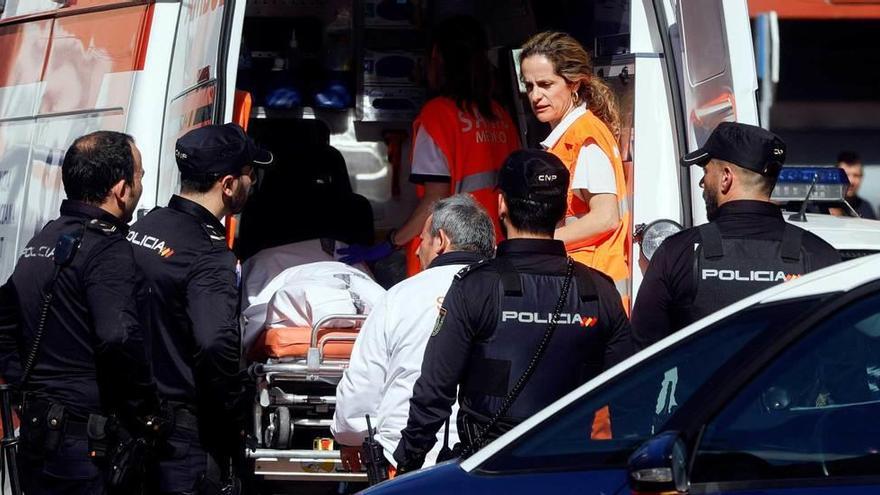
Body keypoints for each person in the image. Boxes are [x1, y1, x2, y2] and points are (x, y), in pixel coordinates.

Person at [393, 150, 632, 472]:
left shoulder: (475, 286)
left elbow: (435, 392)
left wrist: (408, 462)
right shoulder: (600, 290)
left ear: (502, 204)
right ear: (563, 211)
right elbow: (627, 395)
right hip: (572, 470)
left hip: (490, 470)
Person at [0, 131, 158, 494]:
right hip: (84, 446)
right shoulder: (108, 250)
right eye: (140, 177)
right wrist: (145, 409)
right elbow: (118, 335)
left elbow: (4, 321)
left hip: (40, 436)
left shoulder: (45, 237)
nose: (140, 185)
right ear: (122, 189)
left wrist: (27, 385)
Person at [129, 123, 271, 494]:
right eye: (248, 174)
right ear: (227, 185)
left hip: (130, 425)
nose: (252, 182)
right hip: (181, 438)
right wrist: (233, 408)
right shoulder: (208, 254)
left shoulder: (143, 227)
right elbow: (214, 343)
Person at [631, 122, 841, 349]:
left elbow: (639, 355)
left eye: (706, 171)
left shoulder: (676, 252)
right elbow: (843, 363)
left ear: (726, 178)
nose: (702, 183)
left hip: (705, 386)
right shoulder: (819, 255)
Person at [338, 15, 519, 276]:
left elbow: (435, 198)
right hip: (495, 253)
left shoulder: (436, 117)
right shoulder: (500, 116)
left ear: (437, 56)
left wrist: (390, 243)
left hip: (446, 257)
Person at [331, 194, 495, 472]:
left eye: (422, 240)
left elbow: (364, 384)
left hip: (408, 465)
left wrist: (350, 437)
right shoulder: (510, 296)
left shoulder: (400, 297)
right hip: (493, 461)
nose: (417, 251)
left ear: (440, 241)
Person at [519, 31, 630, 306]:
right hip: (581, 285)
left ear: (574, 84)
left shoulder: (585, 137)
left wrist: (539, 242)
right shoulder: (571, 136)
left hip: (590, 289)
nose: (536, 96)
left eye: (546, 84)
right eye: (529, 86)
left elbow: (606, 218)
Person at [831, 151, 876, 219]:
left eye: (856, 175)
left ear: (861, 177)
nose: (851, 181)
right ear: (835, 177)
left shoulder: (866, 208)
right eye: (845, 175)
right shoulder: (818, 206)